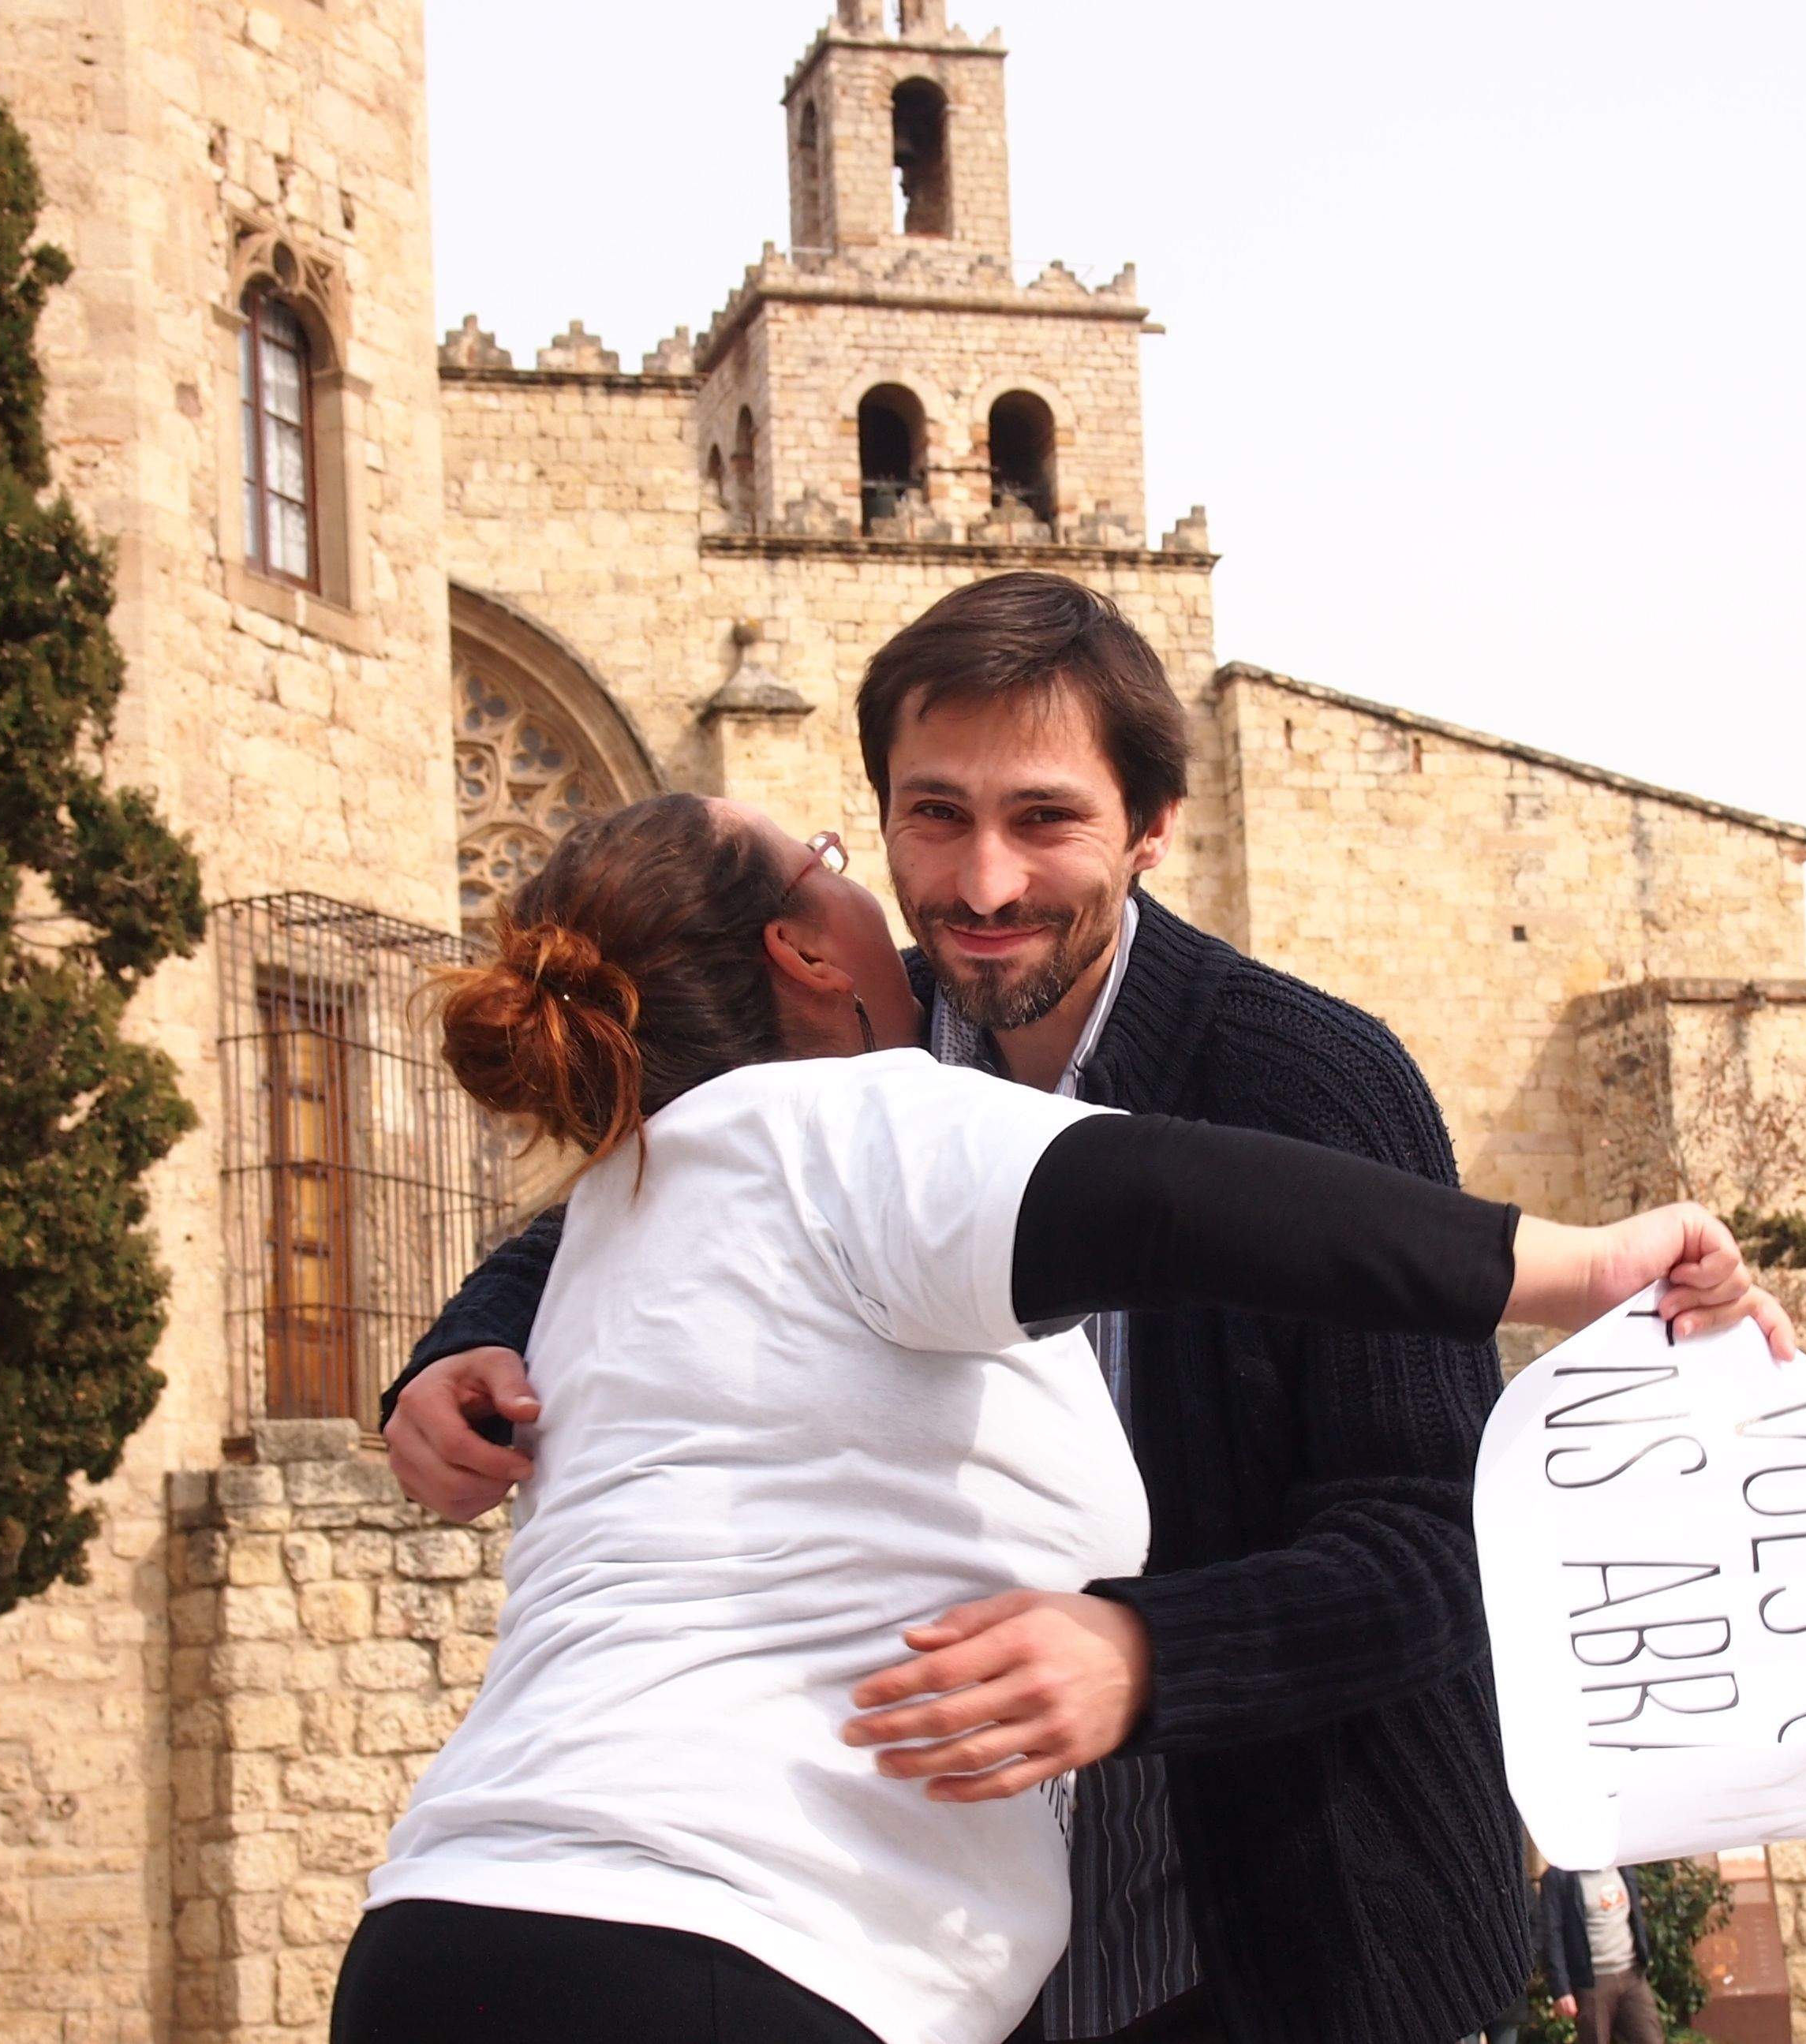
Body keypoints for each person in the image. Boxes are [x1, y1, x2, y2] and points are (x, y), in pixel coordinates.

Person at [330, 792, 1795, 2044]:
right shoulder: (868, 1115)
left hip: (443, 1921)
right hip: (730, 1950)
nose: (961, 886)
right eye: (856, 845)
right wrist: (1593, 1263)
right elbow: (1183, 1201)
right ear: (800, 943)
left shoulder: (625, 1196)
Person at [383, 574, 1543, 2044]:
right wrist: (454, 1353)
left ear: (1152, 827)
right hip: (928, 1975)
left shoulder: (1314, 1082)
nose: (985, 884)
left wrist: (1149, 1656)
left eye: (1045, 819)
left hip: (1286, 1953)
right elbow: (633, 1206)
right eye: (936, 816)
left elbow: (1441, 1541)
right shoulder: (836, 1045)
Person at [1539, 1864, 1661, 2044]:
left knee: (1650, 2037)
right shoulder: (1560, 1875)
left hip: (1632, 1973)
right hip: (1592, 1981)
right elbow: (1552, 1933)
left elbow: (1634, 1914)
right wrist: (1561, 1989)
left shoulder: (1622, 1865)